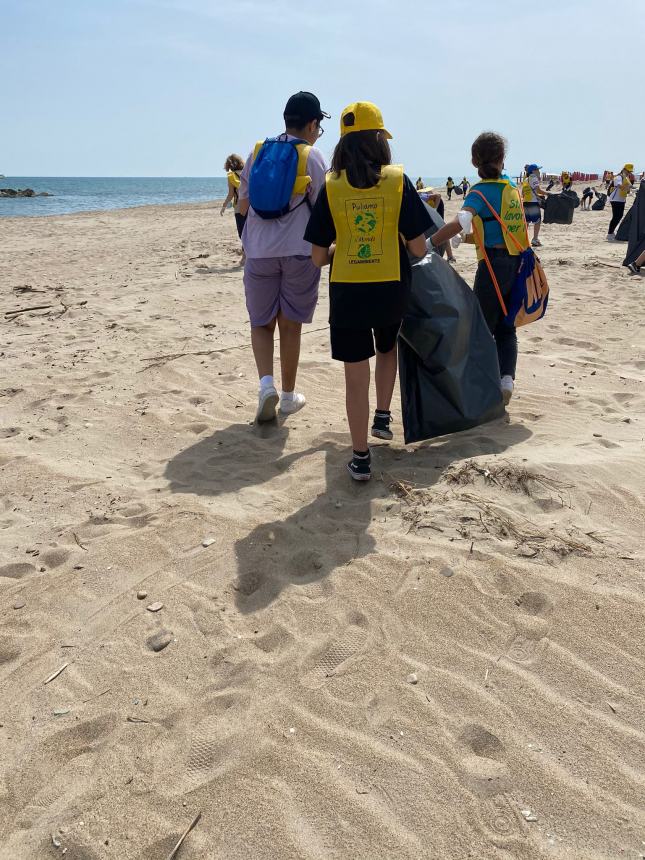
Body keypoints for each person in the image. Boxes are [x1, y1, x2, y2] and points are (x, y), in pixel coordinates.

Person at [304, 102, 431, 481]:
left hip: (347, 291)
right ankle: (383, 416)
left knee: (354, 374)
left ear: (343, 144)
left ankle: (360, 457)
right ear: (380, 141)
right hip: (391, 287)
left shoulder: (331, 186)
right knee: (387, 348)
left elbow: (315, 258)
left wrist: (341, 249)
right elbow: (419, 248)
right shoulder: (397, 182)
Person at [237, 91, 330, 422]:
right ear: (311, 123)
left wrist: (248, 242)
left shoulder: (257, 152)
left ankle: (266, 386)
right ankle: (288, 396)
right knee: (290, 325)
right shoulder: (313, 157)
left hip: (259, 250)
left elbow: (242, 204)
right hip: (299, 250)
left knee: (261, 323)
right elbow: (324, 208)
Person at [428, 131, 530, 406]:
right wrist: (470, 238)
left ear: (475, 162)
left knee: (481, 325)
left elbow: (460, 221)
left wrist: (431, 242)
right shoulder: (511, 189)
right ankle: (507, 378)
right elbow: (503, 230)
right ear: (502, 159)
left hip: (492, 267)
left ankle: (481, 386)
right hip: (517, 263)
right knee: (507, 327)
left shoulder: (479, 192)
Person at [221, 154, 246, 239]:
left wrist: (224, 206)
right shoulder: (247, 173)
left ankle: (245, 250)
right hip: (250, 205)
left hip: (239, 208)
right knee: (250, 231)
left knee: (242, 234)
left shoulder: (231, 176)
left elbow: (230, 194)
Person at [607, 163, 635, 241]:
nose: (629, 173)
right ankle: (610, 233)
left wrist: (633, 189)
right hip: (615, 199)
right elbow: (619, 186)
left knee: (619, 216)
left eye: (630, 172)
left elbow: (629, 188)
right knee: (616, 216)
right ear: (624, 169)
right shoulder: (618, 177)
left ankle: (612, 232)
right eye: (628, 171)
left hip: (622, 199)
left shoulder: (626, 178)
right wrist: (629, 187)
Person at [521, 163, 547, 247]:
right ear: (533, 171)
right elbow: (538, 190)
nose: (539, 171)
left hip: (525, 203)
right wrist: (548, 193)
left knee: (527, 222)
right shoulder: (534, 178)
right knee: (537, 221)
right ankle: (535, 239)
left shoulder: (526, 179)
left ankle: (523, 240)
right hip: (533, 203)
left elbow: (523, 193)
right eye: (538, 170)